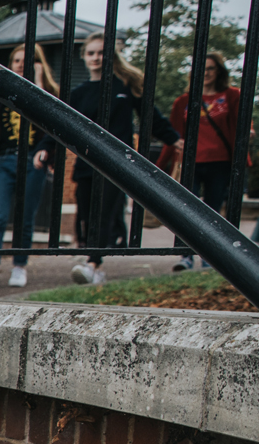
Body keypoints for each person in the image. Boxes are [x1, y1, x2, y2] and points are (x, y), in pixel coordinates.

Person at [61, 33, 177, 286]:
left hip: (116, 164)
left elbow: (151, 117)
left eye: (101, 52)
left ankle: (93, 263)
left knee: (103, 213)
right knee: (85, 215)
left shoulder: (124, 86)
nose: (95, 58)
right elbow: (62, 125)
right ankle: (94, 260)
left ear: (110, 55)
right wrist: (45, 148)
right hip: (86, 164)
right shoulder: (79, 93)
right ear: (84, 57)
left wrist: (174, 139)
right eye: (90, 53)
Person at [0, 43, 59, 289]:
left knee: (25, 217)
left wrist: (39, 84)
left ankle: (19, 266)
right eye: (17, 60)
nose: (21, 64)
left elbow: (51, 124)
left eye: (28, 60)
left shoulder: (49, 93)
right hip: (4, 160)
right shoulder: (0, 92)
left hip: (32, 160)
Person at [158, 50, 244, 271]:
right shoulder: (184, 101)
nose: (205, 73)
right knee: (187, 209)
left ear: (219, 71)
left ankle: (210, 258)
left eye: (210, 68)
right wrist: (158, 167)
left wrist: (248, 135)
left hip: (220, 161)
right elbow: (173, 136)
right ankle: (185, 255)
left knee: (213, 211)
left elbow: (242, 124)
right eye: (201, 69)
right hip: (190, 162)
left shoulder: (232, 95)